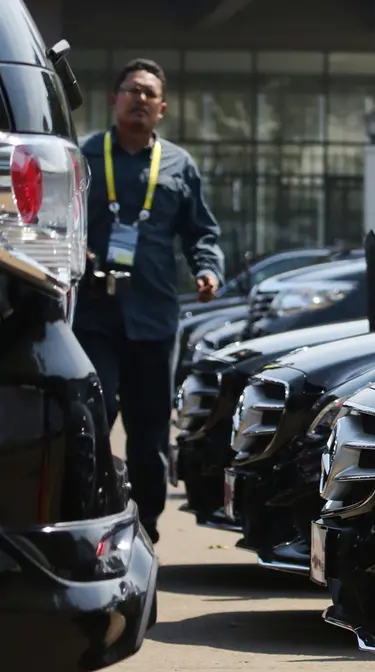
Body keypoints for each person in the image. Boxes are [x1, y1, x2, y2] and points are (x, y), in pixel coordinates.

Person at [74, 58, 225, 544]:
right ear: (113, 100)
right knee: (92, 417)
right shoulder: (85, 157)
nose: (139, 99)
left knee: (150, 429)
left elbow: (202, 232)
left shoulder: (180, 165)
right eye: (131, 90)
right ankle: (89, 511)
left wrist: (207, 269)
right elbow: (59, 221)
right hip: (95, 314)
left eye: (148, 94)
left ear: (162, 108)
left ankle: (147, 525)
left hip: (155, 319)